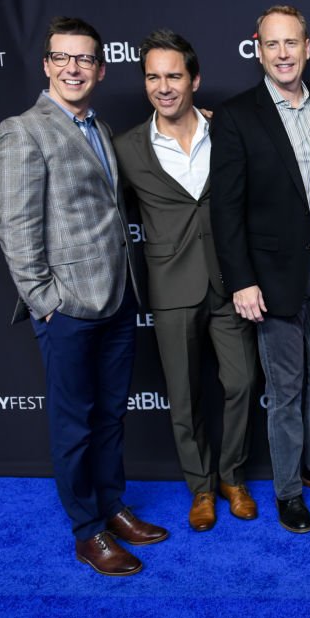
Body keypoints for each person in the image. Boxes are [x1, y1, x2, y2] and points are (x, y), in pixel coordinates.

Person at [0, 16, 167, 576]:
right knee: (74, 423)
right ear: (46, 65)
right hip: (66, 305)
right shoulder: (22, 130)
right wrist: (45, 300)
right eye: (62, 58)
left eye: (85, 59)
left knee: (111, 415)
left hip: (117, 299)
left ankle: (112, 506)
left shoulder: (99, 126)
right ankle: (88, 530)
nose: (73, 68)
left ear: (99, 67)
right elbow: (16, 228)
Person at [210, 5, 310, 535]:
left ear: (306, 46)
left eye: (290, 43)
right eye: (271, 45)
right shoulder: (237, 115)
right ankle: (288, 491)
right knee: (284, 389)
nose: (282, 54)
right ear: (258, 49)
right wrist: (241, 280)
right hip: (272, 277)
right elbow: (225, 209)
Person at [114, 30, 259, 533]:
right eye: (153, 77)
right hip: (171, 286)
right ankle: (200, 488)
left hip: (230, 280)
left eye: (173, 75)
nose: (164, 86)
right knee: (185, 397)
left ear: (194, 79)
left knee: (241, 383)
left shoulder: (228, 130)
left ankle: (231, 476)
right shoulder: (126, 148)